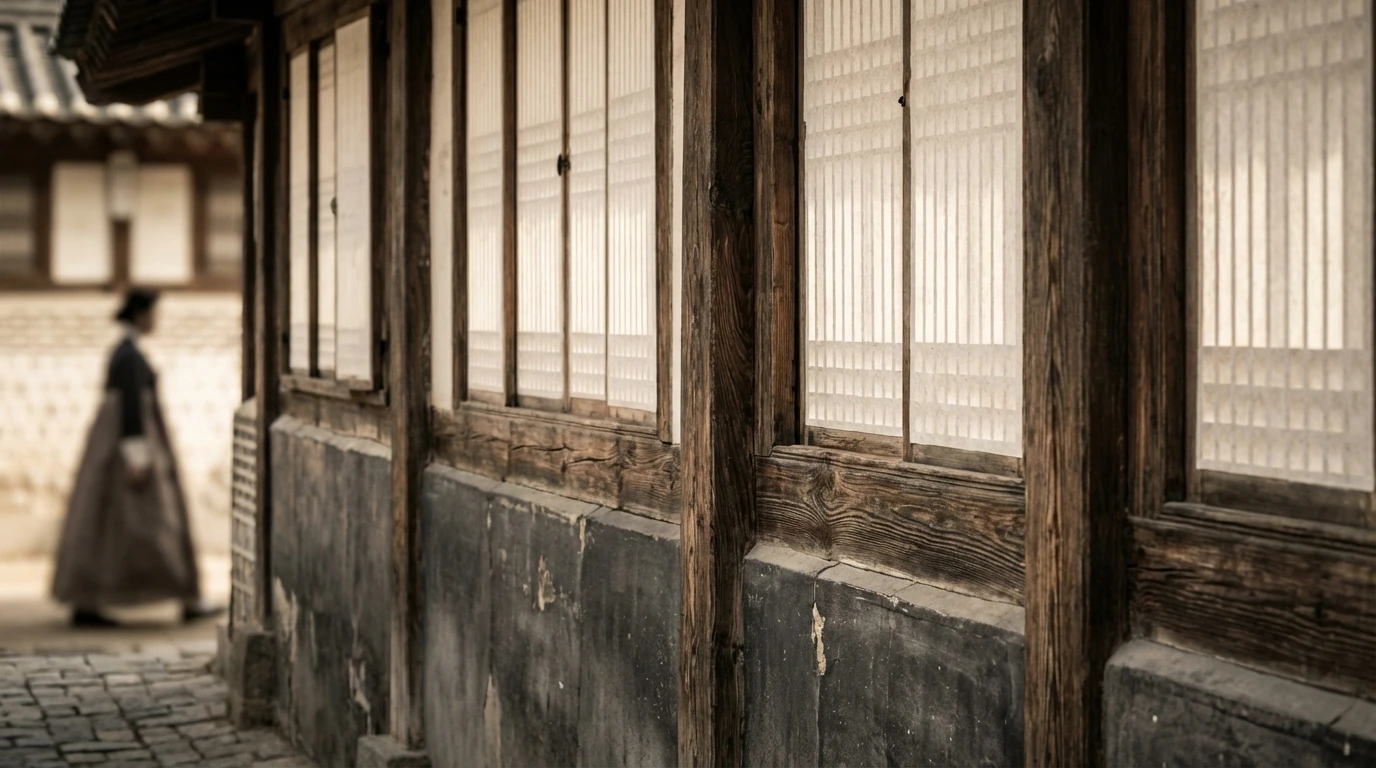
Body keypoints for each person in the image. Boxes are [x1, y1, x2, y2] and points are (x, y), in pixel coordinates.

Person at [51, 288, 223, 627]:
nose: (156, 320)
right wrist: (137, 456)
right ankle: (181, 596)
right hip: (127, 447)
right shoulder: (128, 355)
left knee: (114, 523)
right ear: (141, 315)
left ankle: (175, 595)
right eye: (154, 314)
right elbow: (130, 407)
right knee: (154, 522)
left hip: (116, 446)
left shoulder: (127, 352)